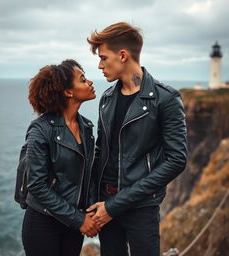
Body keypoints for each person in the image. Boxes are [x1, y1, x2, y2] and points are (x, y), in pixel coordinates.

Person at [86, 22, 188, 256]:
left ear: (122, 55)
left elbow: (176, 160)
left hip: (141, 207)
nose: (100, 66)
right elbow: (101, 152)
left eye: (103, 58)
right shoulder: (107, 98)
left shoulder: (166, 98)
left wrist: (115, 205)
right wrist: (94, 202)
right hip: (104, 205)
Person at [21, 59, 100, 256]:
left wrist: (89, 211)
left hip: (72, 224)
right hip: (43, 225)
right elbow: (37, 185)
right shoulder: (40, 130)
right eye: (83, 79)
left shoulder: (87, 127)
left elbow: (87, 174)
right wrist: (79, 220)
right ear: (68, 91)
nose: (90, 82)